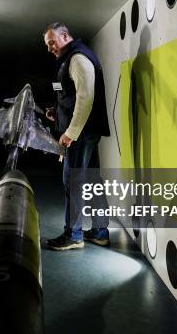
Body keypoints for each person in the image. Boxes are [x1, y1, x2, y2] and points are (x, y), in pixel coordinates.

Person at [42, 22, 111, 250]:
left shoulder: (78, 58)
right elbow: (71, 95)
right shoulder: (69, 58)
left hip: (81, 133)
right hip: (85, 131)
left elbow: (85, 98)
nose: (50, 48)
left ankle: (74, 235)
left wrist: (70, 133)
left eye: (52, 42)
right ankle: (100, 231)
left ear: (64, 36)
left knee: (73, 181)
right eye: (47, 44)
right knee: (91, 180)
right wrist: (57, 113)